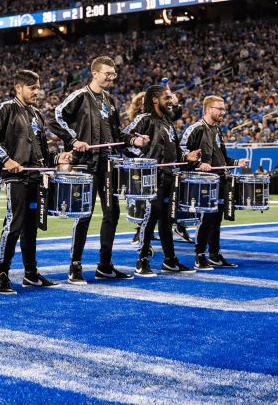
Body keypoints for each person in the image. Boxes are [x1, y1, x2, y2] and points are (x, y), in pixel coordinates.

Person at [47, 56, 149, 285]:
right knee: (84, 214)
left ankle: (104, 265)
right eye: (108, 74)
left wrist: (134, 141)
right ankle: (75, 266)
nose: (112, 78)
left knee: (112, 213)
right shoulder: (80, 96)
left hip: (108, 165)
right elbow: (55, 118)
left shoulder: (110, 101)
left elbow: (116, 135)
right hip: (87, 165)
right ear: (94, 73)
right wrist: (73, 140)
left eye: (114, 74)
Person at [0, 70, 73, 293]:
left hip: (36, 177)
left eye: (38, 87)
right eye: (32, 87)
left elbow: (43, 152)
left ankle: (31, 273)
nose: (37, 91)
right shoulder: (6, 108)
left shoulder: (36, 114)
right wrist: (6, 159)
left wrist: (56, 158)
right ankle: (1, 274)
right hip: (16, 177)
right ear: (19, 88)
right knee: (14, 224)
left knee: (31, 227)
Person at [122, 85, 201, 276]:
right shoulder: (144, 118)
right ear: (155, 99)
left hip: (169, 176)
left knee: (167, 219)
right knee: (152, 216)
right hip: (151, 178)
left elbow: (173, 152)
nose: (171, 101)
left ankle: (170, 260)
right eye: (167, 98)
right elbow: (122, 136)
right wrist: (136, 144)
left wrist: (186, 157)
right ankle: (141, 260)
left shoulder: (167, 122)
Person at [180, 96, 248, 269]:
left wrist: (235, 163)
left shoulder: (216, 130)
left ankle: (214, 254)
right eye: (220, 109)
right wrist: (197, 164)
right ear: (209, 109)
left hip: (219, 180)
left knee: (216, 219)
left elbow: (222, 158)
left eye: (223, 109)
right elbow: (181, 152)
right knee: (205, 218)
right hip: (203, 182)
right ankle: (199, 255)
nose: (223, 112)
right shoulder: (195, 128)